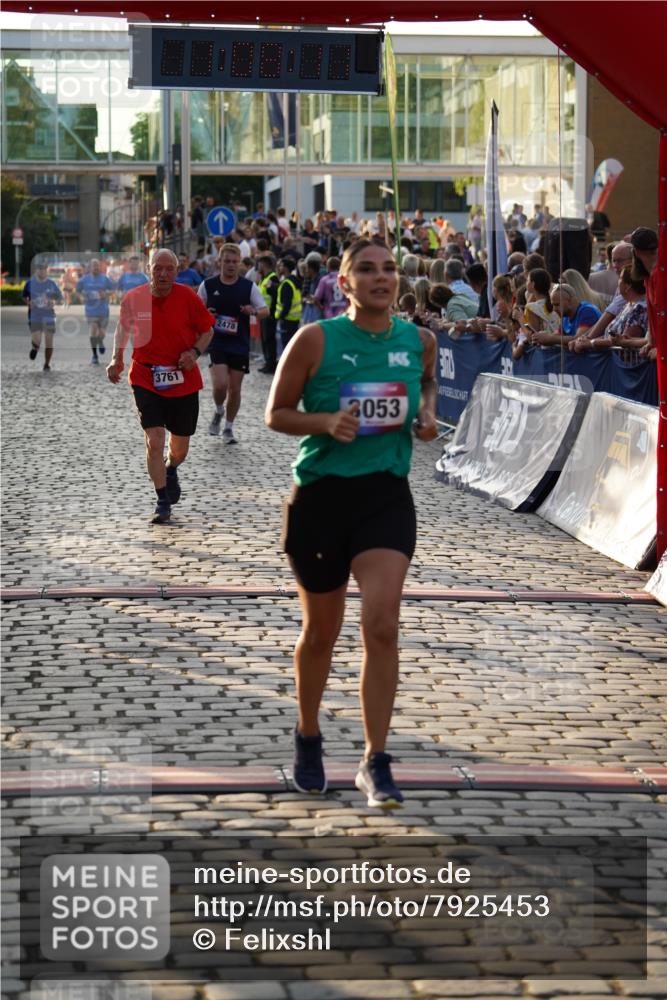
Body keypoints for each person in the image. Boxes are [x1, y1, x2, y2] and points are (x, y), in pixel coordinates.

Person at [265, 239, 438, 809]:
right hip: (320, 499)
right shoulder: (316, 339)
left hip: (385, 497)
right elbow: (276, 413)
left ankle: (374, 759)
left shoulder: (419, 341)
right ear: (344, 284)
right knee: (321, 633)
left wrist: (428, 414)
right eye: (366, 270)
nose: (381, 278)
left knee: (382, 624)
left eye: (388, 269)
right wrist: (325, 421)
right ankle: (309, 736)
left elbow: (427, 382)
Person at [105, 248, 214, 524]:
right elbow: (122, 328)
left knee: (180, 449)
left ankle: (171, 467)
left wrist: (194, 353)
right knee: (154, 440)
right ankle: (162, 500)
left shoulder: (188, 298)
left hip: (183, 378)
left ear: (177, 271)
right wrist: (117, 358)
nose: (163, 274)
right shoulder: (134, 298)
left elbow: (207, 330)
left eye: (169, 269)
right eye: (158, 268)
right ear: (149, 269)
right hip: (145, 376)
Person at [198, 242, 268, 442]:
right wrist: (205, 314)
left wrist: (253, 311)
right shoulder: (208, 285)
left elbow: (265, 310)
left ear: (240, 264)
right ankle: (219, 410)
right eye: (227, 261)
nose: (230, 265)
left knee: (235, 388)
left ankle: (228, 427)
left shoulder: (248, 287)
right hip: (216, 342)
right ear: (219, 262)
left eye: (234, 262)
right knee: (220, 385)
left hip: (239, 343)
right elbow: (194, 311)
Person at [22, 261, 63, 370]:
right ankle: (35, 348)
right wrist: (28, 303)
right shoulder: (30, 283)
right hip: (35, 316)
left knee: (49, 343)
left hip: (49, 316)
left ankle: (47, 364)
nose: (42, 271)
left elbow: (60, 299)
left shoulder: (51, 284)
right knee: (37, 340)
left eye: (44, 269)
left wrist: (53, 302)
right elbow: (24, 296)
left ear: (47, 270)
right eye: (40, 269)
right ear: (36, 270)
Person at [76, 258, 115, 364]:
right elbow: (78, 291)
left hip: (103, 310)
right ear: (90, 267)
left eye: (97, 265)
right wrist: (81, 298)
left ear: (99, 267)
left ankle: (100, 341)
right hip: (90, 311)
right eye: (94, 265)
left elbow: (113, 289)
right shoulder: (84, 279)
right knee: (93, 330)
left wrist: (106, 294)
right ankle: (94, 355)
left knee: (102, 333)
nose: (96, 267)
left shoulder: (104, 279)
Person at [255, 253, 280, 374]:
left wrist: (272, 313)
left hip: (269, 314)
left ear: (264, 265)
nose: (258, 266)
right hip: (263, 313)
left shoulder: (273, 278)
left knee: (269, 340)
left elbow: (275, 296)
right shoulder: (264, 278)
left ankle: (271, 364)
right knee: (265, 339)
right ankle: (267, 362)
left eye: (259, 264)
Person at [275, 256, 303, 356]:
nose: (279, 268)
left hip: (287, 319)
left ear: (286, 268)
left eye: (281, 266)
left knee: (287, 347)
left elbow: (286, 303)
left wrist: (281, 316)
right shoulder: (293, 281)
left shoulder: (287, 284)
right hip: (294, 320)